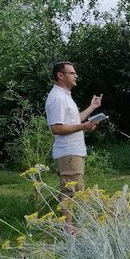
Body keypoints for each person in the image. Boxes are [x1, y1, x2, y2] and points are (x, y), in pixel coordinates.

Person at [45, 61, 103, 200]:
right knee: (70, 192)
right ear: (60, 75)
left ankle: (71, 222)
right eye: (72, 73)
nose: (76, 76)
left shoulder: (65, 95)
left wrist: (92, 107)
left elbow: (74, 121)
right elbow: (56, 128)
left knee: (76, 190)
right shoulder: (58, 98)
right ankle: (67, 223)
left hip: (73, 151)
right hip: (68, 152)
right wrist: (84, 126)